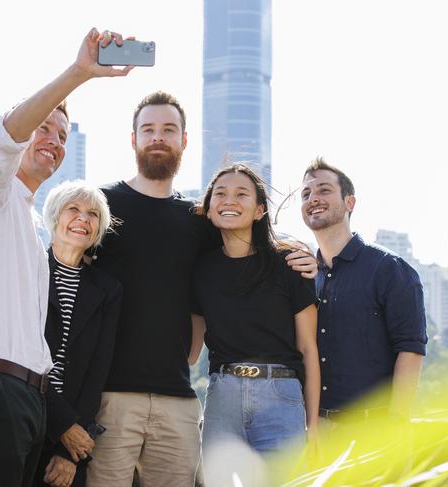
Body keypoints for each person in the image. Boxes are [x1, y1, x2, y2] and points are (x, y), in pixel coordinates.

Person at [86, 92, 319, 487]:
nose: (158, 137)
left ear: (184, 141)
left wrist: (305, 253)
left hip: (178, 399)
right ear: (133, 139)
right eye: (149, 129)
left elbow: (247, 242)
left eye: (168, 130)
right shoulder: (102, 204)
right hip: (112, 397)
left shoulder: (197, 221)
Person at [0, 28, 132, 487]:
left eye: (63, 135)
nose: (54, 139)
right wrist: (80, 73)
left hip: (27, 400)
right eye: (44, 127)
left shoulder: (29, 226)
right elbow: (4, 136)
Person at [191, 164, 320, 482]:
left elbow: (308, 348)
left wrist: (313, 427)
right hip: (222, 397)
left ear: (260, 210)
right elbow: (191, 352)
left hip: (281, 396)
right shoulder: (200, 271)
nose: (229, 200)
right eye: (219, 194)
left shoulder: (289, 264)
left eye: (241, 194)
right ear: (209, 210)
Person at [300, 157, 427, 425]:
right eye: (306, 193)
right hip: (317, 431)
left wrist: (395, 423)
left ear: (350, 203)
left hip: (373, 427)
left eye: (324, 190)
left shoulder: (389, 268)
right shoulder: (306, 274)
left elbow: (411, 349)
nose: (313, 198)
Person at [33, 181, 122, 487]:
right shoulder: (28, 272)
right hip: (24, 415)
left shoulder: (108, 290)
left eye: (93, 214)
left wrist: (67, 450)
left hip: (72, 435)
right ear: (54, 217)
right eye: (73, 209)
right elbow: (23, 362)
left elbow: (97, 372)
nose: (83, 219)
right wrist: (62, 425)